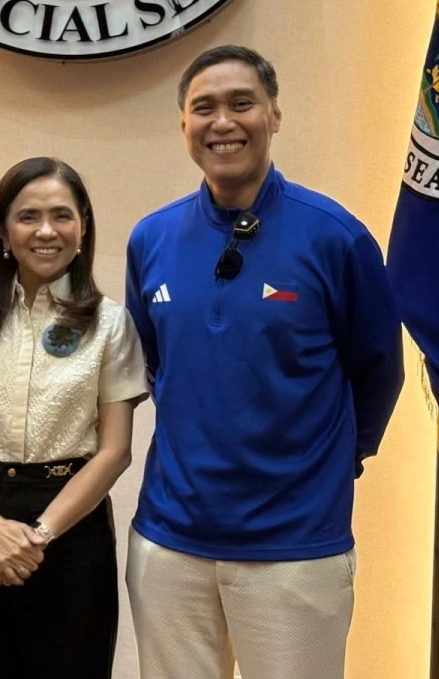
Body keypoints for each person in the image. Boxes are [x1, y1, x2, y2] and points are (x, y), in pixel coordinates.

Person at [124, 45, 404, 679]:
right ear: (184, 126)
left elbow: (380, 369)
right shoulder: (152, 239)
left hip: (295, 545)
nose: (223, 122)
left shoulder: (335, 236)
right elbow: (152, 364)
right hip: (170, 541)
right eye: (204, 108)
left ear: (274, 115)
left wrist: (336, 461)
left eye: (242, 104)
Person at [0, 157, 149, 679]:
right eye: (28, 216)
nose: (46, 231)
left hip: (72, 528)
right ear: (3, 229)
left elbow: (116, 450)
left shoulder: (110, 323)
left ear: (83, 226)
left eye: (61, 215)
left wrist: (36, 538)